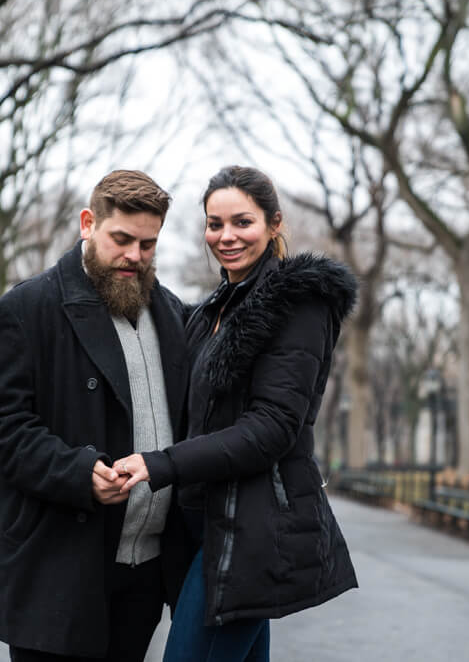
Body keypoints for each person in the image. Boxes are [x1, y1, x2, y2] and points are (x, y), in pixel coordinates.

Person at [115, 165, 359, 661]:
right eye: (214, 223)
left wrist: (161, 463)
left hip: (252, 530)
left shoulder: (298, 302)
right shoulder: (212, 311)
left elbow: (272, 428)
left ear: (274, 224)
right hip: (205, 525)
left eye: (242, 222)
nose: (226, 237)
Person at [0, 170, 191, 661]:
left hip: (146, 573)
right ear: (88, 224)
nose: (134, 255)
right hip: (57, 569)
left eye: (148, 244)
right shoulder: (25, 309)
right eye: (122, 239)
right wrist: (78, 472)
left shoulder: (174, 314)